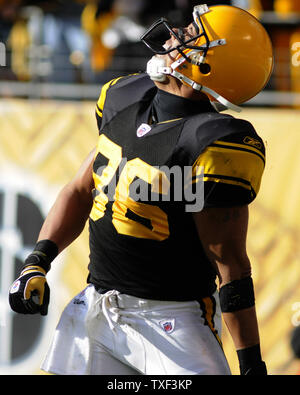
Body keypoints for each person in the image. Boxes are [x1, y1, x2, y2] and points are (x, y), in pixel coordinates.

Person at [8, 4, 273, 375]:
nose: (178, 33)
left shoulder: (213, 142)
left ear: (207, 67)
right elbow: (83, 189)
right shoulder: (124, 95)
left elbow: (230, 264)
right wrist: (38, 261)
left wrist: (250, 364)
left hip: (172, 322)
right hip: (96, 309)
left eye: (195, 35)